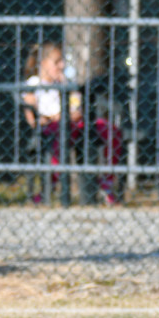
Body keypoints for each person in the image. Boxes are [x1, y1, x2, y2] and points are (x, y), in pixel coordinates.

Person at [22, 42, 122, 204]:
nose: (61, 66)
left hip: (76, 124)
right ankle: (50, 186)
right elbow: (34, 118)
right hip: (52, 128)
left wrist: (67, 88)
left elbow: (77, 107)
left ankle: (107, 181)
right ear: (43, 64)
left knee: (110, 129)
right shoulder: (34, 84)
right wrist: (58, 116)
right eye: (57, 62)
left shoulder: (65, 82)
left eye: (62, 61)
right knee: (61, 131)